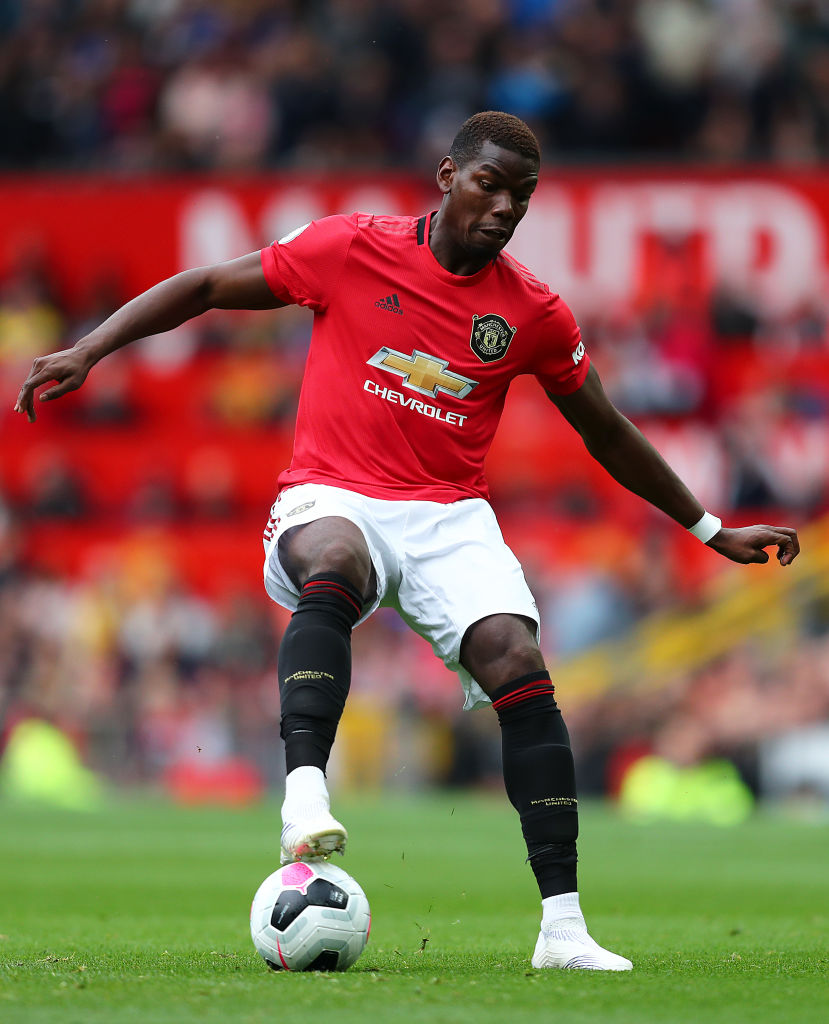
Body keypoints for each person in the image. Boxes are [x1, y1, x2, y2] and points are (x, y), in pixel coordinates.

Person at [14, 111, 800, 972]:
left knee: (516, 657)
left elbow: (604, 429)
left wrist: (709, 527)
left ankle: (563, 930)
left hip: (447, 515)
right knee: (337, 558)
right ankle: (305, 794)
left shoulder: (531, 312)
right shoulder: (350, 248)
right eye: (489, 185)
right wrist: (90, 349)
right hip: (330, 488)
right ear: (447, 177)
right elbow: (206, 286)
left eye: (522, 196)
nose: (504, 208)